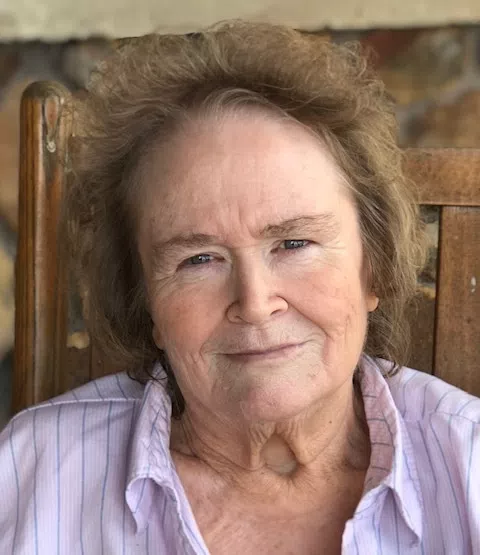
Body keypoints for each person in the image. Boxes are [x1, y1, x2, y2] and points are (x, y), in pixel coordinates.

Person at [1, 20, 479, 555]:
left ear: (375, 268)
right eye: (199, 259)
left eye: (294, 243)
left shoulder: (469, 467)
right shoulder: (34, 475)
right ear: (146, 302)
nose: (254, 304)